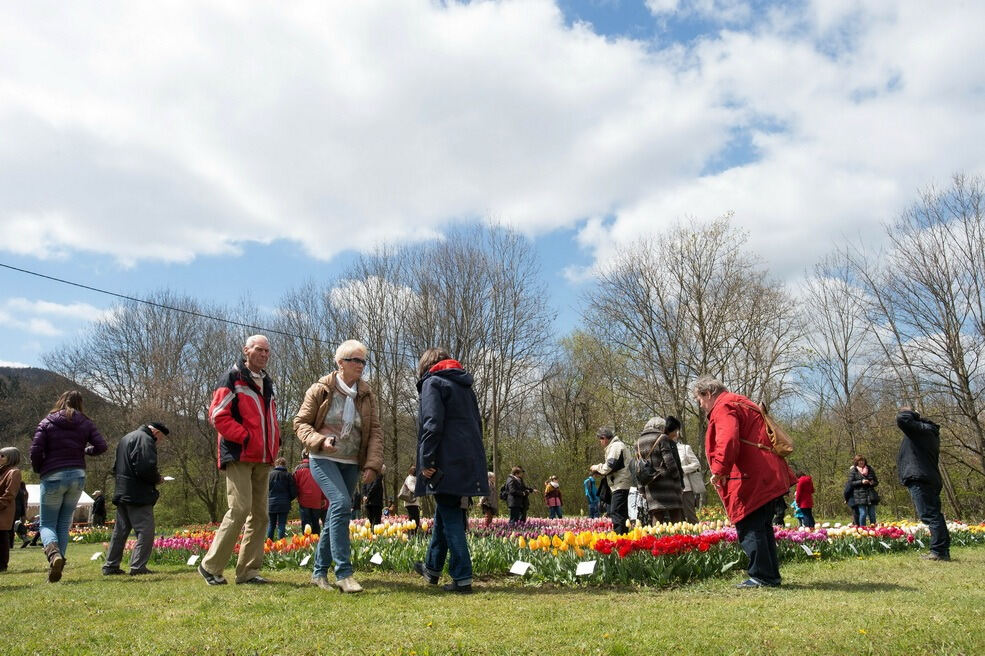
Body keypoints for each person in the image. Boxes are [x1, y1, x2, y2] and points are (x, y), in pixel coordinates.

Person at [293, 339, 384, 593]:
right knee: (343, 504)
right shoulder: (321, 389)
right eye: (355, 360)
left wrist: (372, 464)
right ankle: (344, 573)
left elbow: (375, 431)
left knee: (336, 512)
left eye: (363, 361)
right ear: (340, 362)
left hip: (352, 462)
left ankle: (319, 573)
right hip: (322, 458)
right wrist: (320, 440)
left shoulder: (366, 394)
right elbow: (300, 423)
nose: (361, 365)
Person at [694, 375, 796, 588]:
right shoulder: (742, 401)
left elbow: (728, 438)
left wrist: (720, 469)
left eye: (700, 400)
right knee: (763, 525)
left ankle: (761, 576)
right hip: (767, 471)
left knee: (750, 524)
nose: (702, 406)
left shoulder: (724, 406)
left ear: (708, 393)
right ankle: (769, 576)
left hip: (751, 475)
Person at [199, 335, 281, 586]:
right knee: (239, 509)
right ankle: (210, 566)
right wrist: (244, 438)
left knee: (261, 515)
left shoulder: (267, 382)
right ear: (246, 350)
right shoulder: (232, 378)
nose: (264, 354)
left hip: (264, 457)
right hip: (239, 455)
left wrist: (275, 444)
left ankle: (248, 571)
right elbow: (217, 415)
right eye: (259, 349)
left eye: (267, 351)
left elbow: (270, 418)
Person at [411, 348, 489, 594]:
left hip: (443, 459)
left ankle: (462, 576)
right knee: (445, 513)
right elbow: (477, 423)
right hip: (466, 457)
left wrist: (427, 459)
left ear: (426, 365)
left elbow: (431, 423)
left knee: (451, 517)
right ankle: (432, 569)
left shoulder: (433, 382)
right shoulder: (465, 386)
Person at [30, 390, 108, 582]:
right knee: (64, 524)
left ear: (60, 401)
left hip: (53, 475)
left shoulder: (47, 422)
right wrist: (85, 450)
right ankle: (58, 564)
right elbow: (102, 446)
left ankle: (54, 556)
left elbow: (36, 449)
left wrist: (40, 468)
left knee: (47, 523)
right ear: (80, 404)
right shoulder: (86, 422)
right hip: (77, 475)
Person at [103, 422, 170, 576]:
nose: (160, 442)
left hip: (122, 491)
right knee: (145, 531)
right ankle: (138, 566)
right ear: (156, 432)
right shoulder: (145, 440)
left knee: (120, 531)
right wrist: (157, 478)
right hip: (138, 494)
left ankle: (110, 565)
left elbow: (115, 468)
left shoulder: (126, 438)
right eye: (161, 438)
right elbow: (146, 467)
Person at [897, 406, 950, 561]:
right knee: (935, 514)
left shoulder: (921, 430)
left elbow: (902, 419)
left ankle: (939, 551)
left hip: (920, 477)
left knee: (930, 515)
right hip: (928, 477)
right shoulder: (928, 431)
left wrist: (910, 412)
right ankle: (942, 550)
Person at [637, 416, 685, 525]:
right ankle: (678, 540)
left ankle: (656, 540)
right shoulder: (662, 438)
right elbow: (669, 461)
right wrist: (677, 478)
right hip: (667, 483)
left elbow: (638, 467)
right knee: (675, 513)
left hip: (650, 484)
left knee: (657, 515)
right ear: (660, 427)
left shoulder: (639, 441)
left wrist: (641, 489)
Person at [590, 427, 633, 535]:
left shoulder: (616, 446)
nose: (600, 442)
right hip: (620, 483)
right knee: (620, 513)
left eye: (600, 439)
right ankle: (623, 537)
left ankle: (620, 538)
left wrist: (596, 467)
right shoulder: (615, 446)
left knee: (616, 512)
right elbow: (615, 467)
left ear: (604, 438)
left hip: (620, 485)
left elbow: (609, 466)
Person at [1, 447, 24, 572]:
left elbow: (10, 494)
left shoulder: (14, 472)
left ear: (11, 458)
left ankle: (2, 565)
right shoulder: (2, 471)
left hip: (4, 509)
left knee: (1, 537)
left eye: (2, 456)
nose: (0, 458)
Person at [294, 452, 328, 534]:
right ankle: (316, 540)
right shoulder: (319, 468)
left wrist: (296, 496)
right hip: (316, 500)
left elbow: (294, 484)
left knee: (306, 522)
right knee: (315, 522)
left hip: (303, 499)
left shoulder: (298, 469)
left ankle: (307, 542)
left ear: (302, 457)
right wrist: (323, 498)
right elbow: (323, 484)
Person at [267, 457, 297, 540]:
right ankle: (281, 543)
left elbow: (265, 490)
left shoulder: (270, 475)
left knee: (271, 524)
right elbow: (293, 491)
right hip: (284, 503)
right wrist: (288, 499)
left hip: (271, 503)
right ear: (285, 464)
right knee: (281, 524)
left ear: (276, 464)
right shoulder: (288, 475)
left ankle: (269, 543)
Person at [676, 434, 703, 523]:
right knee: (677, 519)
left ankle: (698, 536)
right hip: (671, 490)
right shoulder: (664, 450)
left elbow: (696, 464)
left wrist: (682, 470)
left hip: (685, 488)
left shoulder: (684, 448)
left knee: (690, 516)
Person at [848, 455, 879, 526]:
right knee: (863, 514)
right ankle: (863, 530)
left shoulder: (870, 469)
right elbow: (850, 483)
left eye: (863, 460)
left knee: (872, 513)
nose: (861, 462)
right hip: (859, 495)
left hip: (870, 494)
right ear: (856, 462)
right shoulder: (854, 470)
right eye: (859, 461)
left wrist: (872, 483)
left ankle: (874, 530)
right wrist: (861, 482)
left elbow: (876, 481)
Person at [399, 466, 422, 533]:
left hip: (413, 502)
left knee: (415, 519)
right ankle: (412, 533)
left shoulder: (413, 478)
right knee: (414, 519)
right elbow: (412, 488)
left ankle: (413, 533)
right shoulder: (410, 479)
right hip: (410, 502)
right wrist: (420, 489)